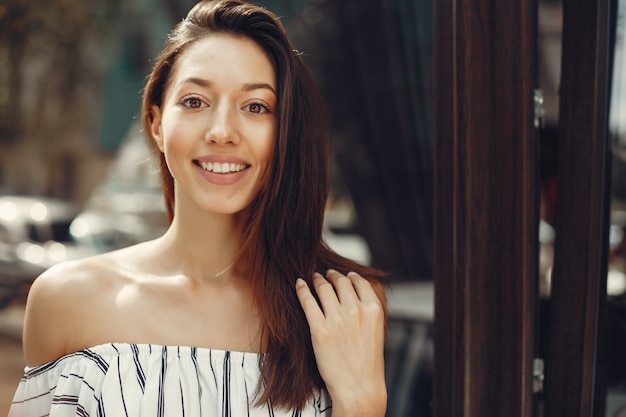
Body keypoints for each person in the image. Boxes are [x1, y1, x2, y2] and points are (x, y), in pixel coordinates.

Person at [9, 0, 388, 416]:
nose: (222, 132)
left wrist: (362, 405)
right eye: (195, 102)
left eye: (256, 107)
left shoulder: (340, 307)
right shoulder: (68, 300)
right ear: (156, 122)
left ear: (286, 132)